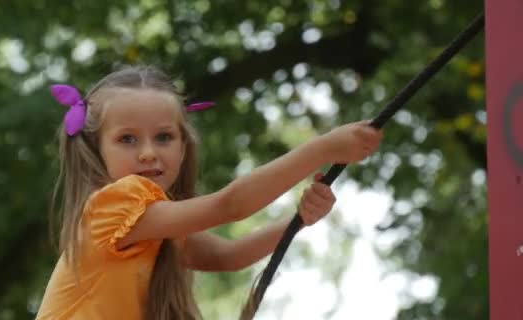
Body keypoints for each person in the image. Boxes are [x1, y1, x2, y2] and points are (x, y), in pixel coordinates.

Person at [35, 65, 382, 320]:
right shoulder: (111, 206)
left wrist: (297, 220)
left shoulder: (157, 228)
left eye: (163, 137)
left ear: (183, 147)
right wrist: (322, 149)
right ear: (97, 150)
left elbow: (226, 256)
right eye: (127, 139)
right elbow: (230, 205)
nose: (148, 152)